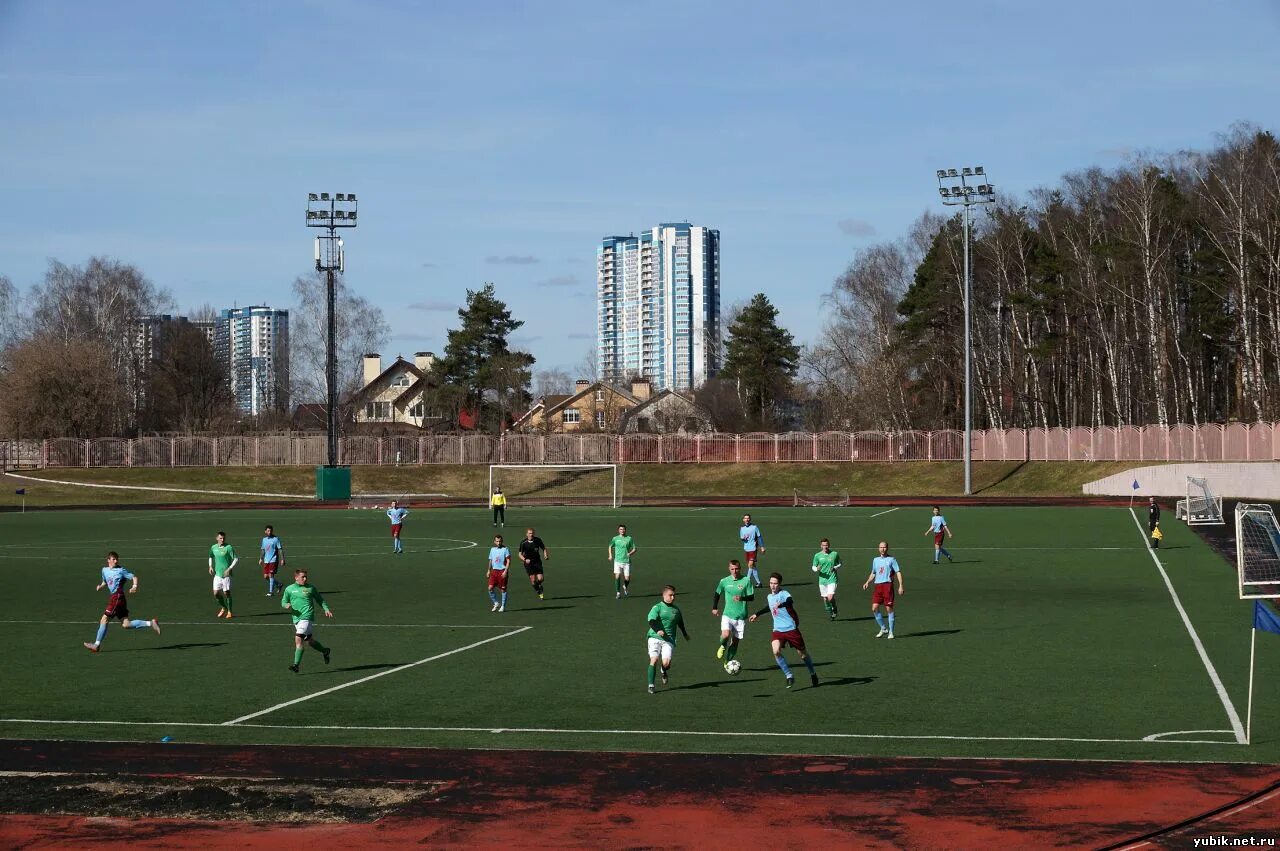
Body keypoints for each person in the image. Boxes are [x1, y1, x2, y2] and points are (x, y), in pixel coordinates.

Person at [750, 572, 819, 689]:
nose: (773, 586)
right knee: (776, 651)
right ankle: (789, 675)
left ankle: (813, 673)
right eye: (771, 583)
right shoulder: (769, 597)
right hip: (777, 629)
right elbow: (770, 607)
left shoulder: (784, 594)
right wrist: (757, 614)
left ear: (779, 584)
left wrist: (781, 605)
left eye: (775, 583)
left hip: (791, 629)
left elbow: (789, 601)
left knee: (802, 655)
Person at [83, 552, 160, 652]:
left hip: (117, 597)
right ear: (108, 560)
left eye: (117, 559)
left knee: (104, 619)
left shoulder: (121, 570)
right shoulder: (104, 570)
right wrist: (100, 586)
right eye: (114, 559)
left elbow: (134, 577)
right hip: (118, 599)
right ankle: (151, 623)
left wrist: (134, 586)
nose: (116, 561)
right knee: (126, 624)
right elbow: (105, 581)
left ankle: (96, 645)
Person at [281, 568, 333, 672]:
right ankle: (325, 651)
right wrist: (286, 605)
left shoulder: (311, 588)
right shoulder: (289, 589)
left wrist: (326, 609)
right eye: (302, 577)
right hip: (296, 619)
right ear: (296, 578)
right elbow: (283, 601)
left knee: (298, 638)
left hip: (307, 617)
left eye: (306, 577)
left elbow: (320, 599)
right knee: (310, 641)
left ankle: (296, 665)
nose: (305, 579)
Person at [646, 584, 691, 694]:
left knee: (666, 663)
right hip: (654, 637)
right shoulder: (657, 607)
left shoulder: (676, 610)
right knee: (654, 659)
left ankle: (663, 670)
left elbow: (680, 623)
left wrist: (685, 634)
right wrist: (658, 630)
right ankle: (651, 685)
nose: (673, 597)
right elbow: (651, 620)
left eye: (674, 595)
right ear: (664, 595)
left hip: (669, 639)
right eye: (670, 595)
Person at [712, 559, 754, 670]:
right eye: (732, 569)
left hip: (741, 617)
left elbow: (751, 597)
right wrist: (715, 607)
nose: (734, 571)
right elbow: (717, 593)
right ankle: (722, 645)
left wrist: (742, 598)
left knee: (735, 642)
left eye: (736, 569)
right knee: (725, 635)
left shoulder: (746, 581)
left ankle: (728, 661)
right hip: (728, 614)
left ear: (740, 568)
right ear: (729, 569)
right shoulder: (724, 581)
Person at [862, 540, 904, 639]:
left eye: (884, 547)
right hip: (878, 587)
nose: (882, 549)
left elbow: (898, 572)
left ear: (887, 548)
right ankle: (883, 628)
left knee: (888, 608)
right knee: (874, 608)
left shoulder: (892, 559)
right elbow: (873, 572)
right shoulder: (875, 560)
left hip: (887, 586)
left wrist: (901, 585)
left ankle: (891, 632)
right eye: (881, 547)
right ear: (878, 548)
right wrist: (867, 582)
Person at [208, 531, 238, 619]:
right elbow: (210, 556)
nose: (222, 540)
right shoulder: (213, 547)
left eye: (223, 538)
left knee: (226, 593)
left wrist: (229, 568)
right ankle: (223, 607)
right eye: (220, 538)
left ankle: (230, 611)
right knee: (216, 593)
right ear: (217, 538)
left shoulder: (228, 547)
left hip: (226, 575)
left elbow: (236, 559)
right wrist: (210, 566)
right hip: (217, 574)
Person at [811, 538, 842, 619]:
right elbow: (813, 566)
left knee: (830, 597)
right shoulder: (817, 555)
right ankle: (830, 611)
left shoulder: (834, 554)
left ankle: (834, 608)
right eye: (824, 545)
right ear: (821, 546)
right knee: (825, 599)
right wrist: (816, 569)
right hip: (822, 580)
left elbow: (840, 563)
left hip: (832, 579)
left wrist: (835, 567)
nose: (825, 547)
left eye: (827, 545)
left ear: (829, 545)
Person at [518, 527, 549, 599]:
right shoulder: (523, 543)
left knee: (541, 579)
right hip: (528, 563)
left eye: (532, 533)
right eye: (529, 533)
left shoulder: (538, 540)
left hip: (537, 561)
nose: (531, 535)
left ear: (534, 534)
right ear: (526, 534)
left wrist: (545, 554)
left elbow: (544, 548)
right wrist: (525, 559)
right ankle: (539, 592)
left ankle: (538, 585)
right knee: (533, 579)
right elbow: (519, 554)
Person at [609, 524, 636, 599]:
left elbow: (634, 548)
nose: (622, 531)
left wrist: (630, 553)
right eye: (621, 529)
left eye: (623, 529)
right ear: (618, 530)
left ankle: (625, 586)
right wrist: (610, 555)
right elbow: (610, 546)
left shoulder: (629, 538)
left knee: (627, 578)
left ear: (625, 530)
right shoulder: (615, 538)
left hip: (626, 561)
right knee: (617, 576)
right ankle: (618, 592)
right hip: (617, 561)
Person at [739, 514, 765, 588]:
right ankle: (759, 583)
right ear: (743, 520)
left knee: (750, 565)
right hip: (746, 549)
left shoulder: (754, 527)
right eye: (745, 518)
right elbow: (742, 538)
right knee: (752, 566)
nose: (747, 519)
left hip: (753, 548)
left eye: (748, 518)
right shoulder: (742, 528)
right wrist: (744, 538)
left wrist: (762, 547)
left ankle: (746, 582)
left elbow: (759, 537)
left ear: (750, 519)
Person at [487, 534, 511, 612]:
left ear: (502, 541)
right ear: (494, 542)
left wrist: (505, 571)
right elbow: (490, 560)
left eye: (500, 541)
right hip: (494, 571)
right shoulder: (492, 549)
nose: (498, 543)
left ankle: (503, 606)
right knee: (490, 588)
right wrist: (488, 570)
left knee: (503, 590)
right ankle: (496, 603)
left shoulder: (505, 549)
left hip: (502, 571)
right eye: (497, 541)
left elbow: (508, 560)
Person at [260, 524, 285, 596]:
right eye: (268, 531)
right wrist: (261, 558)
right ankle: (278, 584)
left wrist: (282, 559)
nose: (269, 532)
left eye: (270, 531)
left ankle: (271, 592)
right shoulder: (264, 540)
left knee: (271, 575)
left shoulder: (276, 539)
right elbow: (262, 550)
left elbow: (280, 549)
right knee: (266, 576)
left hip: (273, 560)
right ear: (265, 531)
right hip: (266, 560)